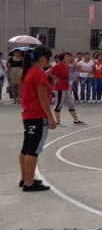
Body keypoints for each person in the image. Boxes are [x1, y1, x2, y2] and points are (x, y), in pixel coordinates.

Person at [19, 45, 56, 191]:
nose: (49, 61)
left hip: (28, 115)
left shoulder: (28, 72)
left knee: (26, 148)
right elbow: (42, 98)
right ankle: (29, 183)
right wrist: (51, 118)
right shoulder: (38, 74)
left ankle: (25, 178)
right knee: (33, 150)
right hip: (37, 115)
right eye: (48, 59)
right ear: (42, 59)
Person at [47, 52, 85, 126]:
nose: (69, 58)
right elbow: (47, 72)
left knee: (71, 104)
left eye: (69, 57)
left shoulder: (66, 65)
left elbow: (78, 68)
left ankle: (76, 120)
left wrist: (74, 61)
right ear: (62, 58)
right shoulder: (58, 65)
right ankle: (57, 121)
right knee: (58, 104)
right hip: (59, 88)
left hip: (66, 87)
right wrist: (55, 78)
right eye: (67, 57)